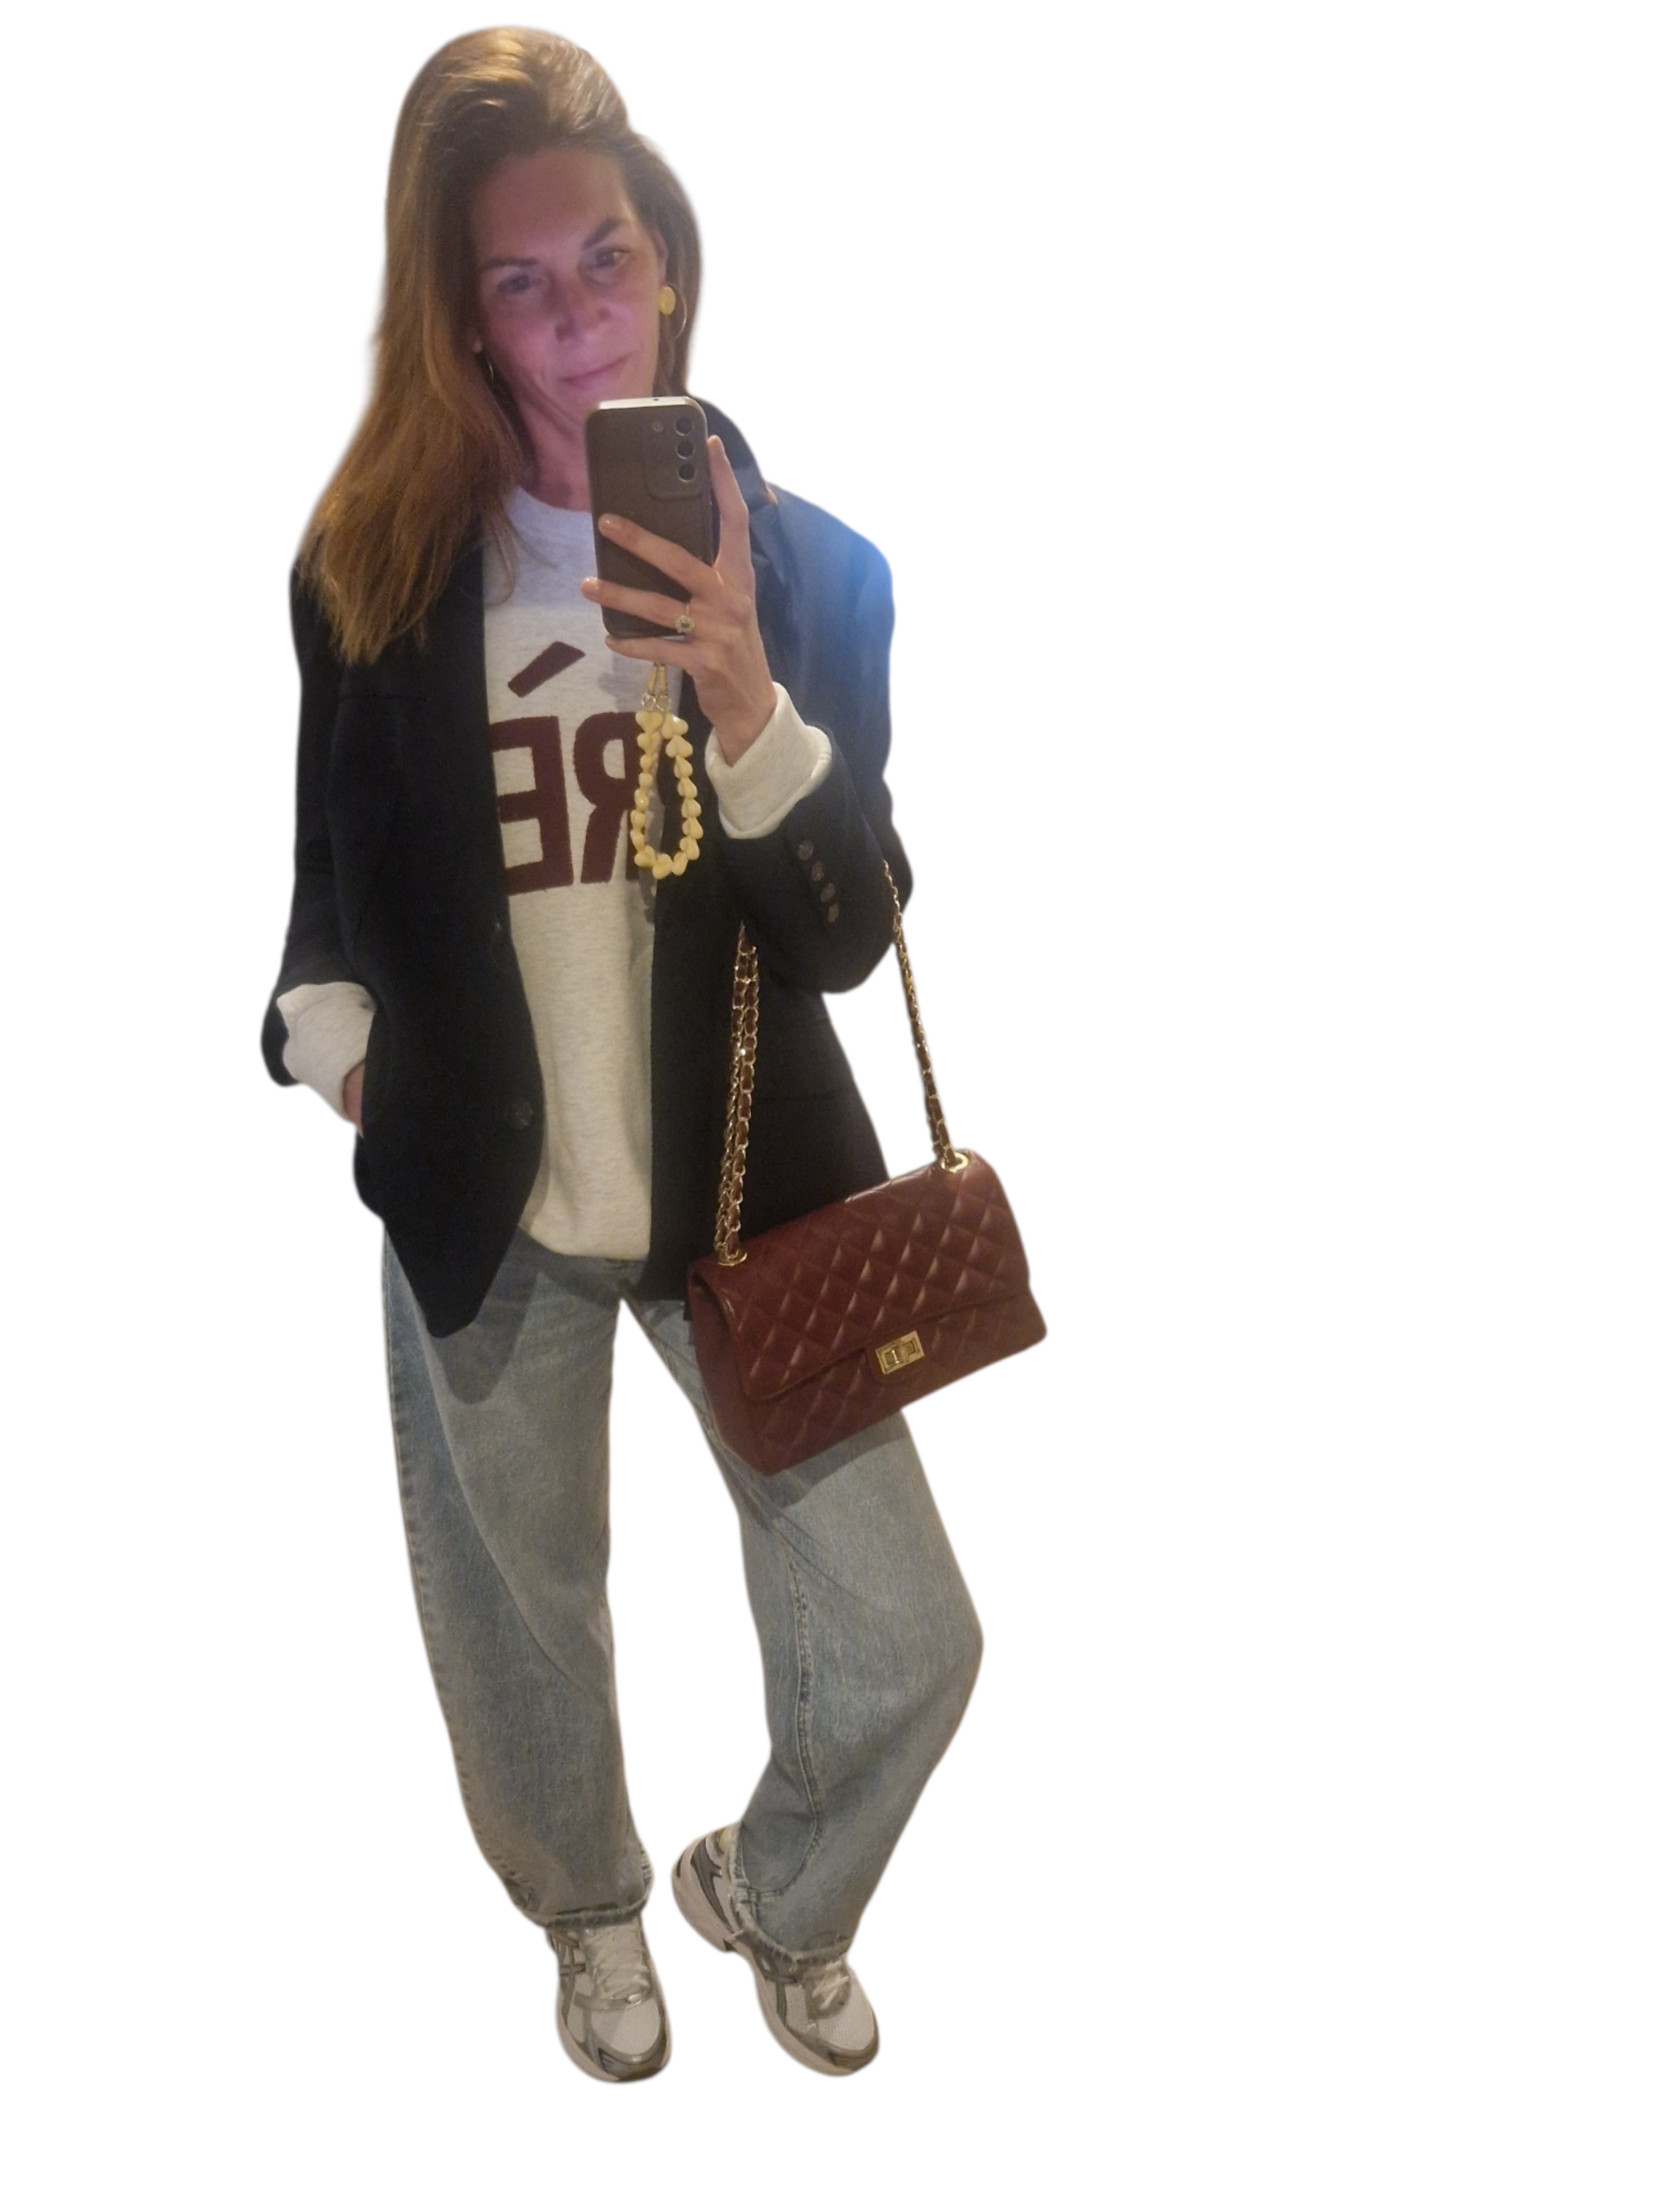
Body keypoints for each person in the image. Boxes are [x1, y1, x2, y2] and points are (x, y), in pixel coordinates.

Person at [264, 28, 982, 2084]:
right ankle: (586, 1907)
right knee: (523, 1609)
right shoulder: (375, 573)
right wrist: (343, 1057)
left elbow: (847, 927)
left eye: (607, 258)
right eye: (523, 283)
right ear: (464, 321)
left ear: (667, 258)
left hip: (749, 1187)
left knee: (911, 1632)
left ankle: (777, 1887)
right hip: (484, 1194)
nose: (580, 315)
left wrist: (743, 692)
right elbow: (323, 888)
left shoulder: (817, 571)